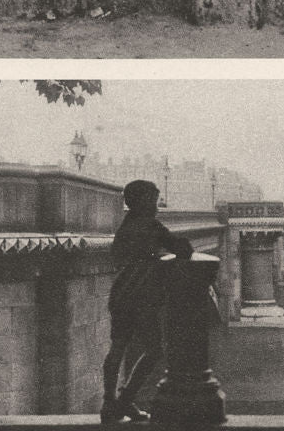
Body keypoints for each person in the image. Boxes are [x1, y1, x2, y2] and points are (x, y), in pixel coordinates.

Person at [101, 179, 193, 423]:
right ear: (142, 201)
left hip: (121, 296)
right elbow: (183, 248)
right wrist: (161, 256)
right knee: (154, 350)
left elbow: (118, 257)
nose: (156, 206)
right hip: (143, 298)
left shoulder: (126, 226)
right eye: (153, 200)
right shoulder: (151, 226)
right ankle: (125, 399)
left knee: (117, 348)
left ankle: (109, 403)